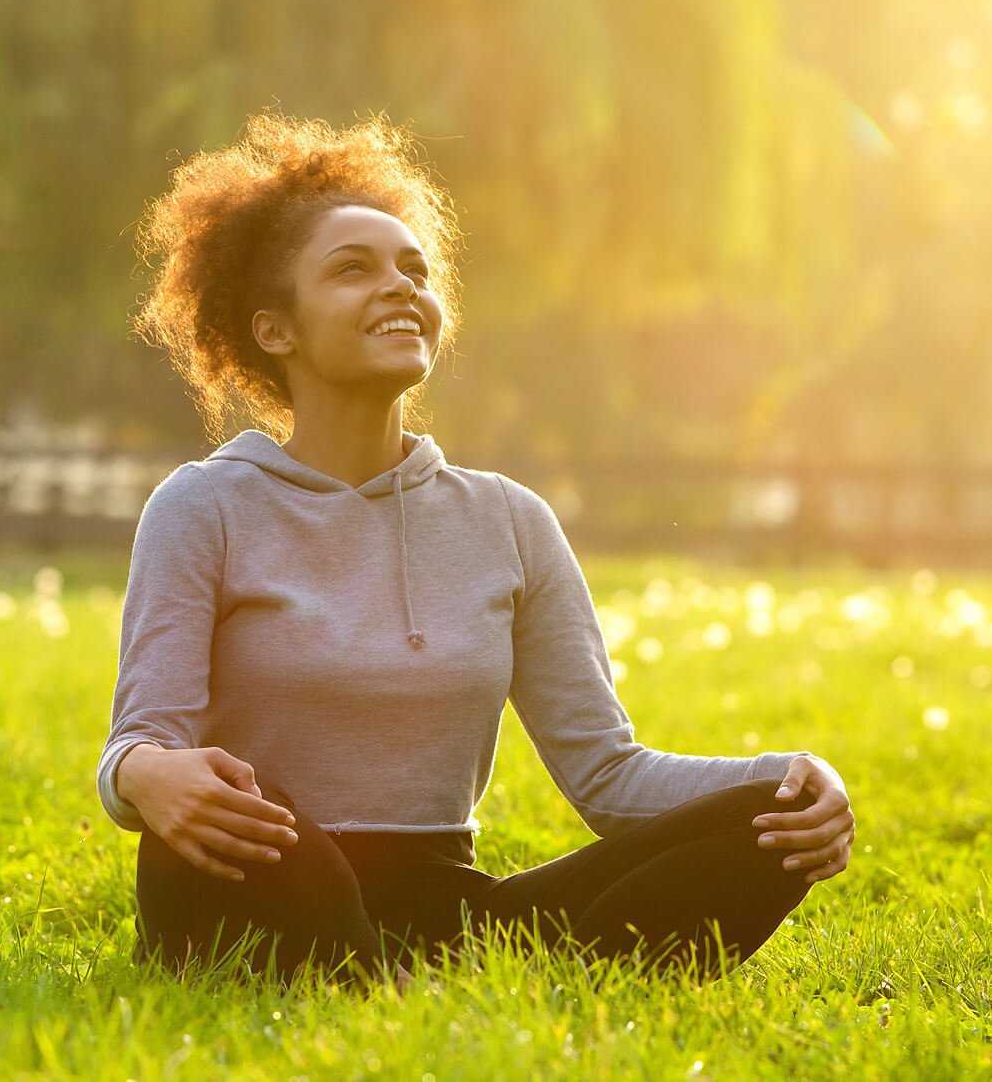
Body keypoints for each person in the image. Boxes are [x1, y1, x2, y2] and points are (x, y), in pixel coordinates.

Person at [96, 108, 855, 994]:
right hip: (259, 870)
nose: (399, 287)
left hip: (446, 907)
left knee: (773, 820)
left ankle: (387, 977)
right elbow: (139, 745)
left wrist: (797, 778)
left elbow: (609, 775)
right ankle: (393, 977)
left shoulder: (508, 519)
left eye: (415, 270)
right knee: (272, 835)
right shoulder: (204, 505)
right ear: (276, 329)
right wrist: (150, 777)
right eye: (354, 270)